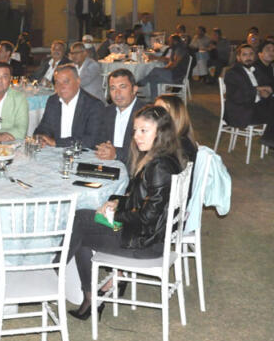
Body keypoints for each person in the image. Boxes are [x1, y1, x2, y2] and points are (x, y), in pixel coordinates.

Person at [65, 105, 185, 320]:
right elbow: (143, 201)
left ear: (161, 132)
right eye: (135, 130)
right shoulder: (165, 157)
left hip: (146, 244)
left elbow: (147, 217)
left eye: (144, 130)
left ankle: (54, 270)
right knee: (81, 223)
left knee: (79, 222)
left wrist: (114, 216)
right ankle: (89, 296)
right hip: (149, 236)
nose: (137, 136)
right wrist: (116, 202)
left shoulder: (159, 167)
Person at [224, 44, 274, 168]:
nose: (248, 57)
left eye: (251, 54)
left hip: (256, 107)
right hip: (241, 110)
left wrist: (267, 91)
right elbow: (236, 95)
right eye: (244, 54)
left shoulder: (256, 70)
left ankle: (273, 141)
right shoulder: (232, 73)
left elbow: (269, 84)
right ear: (238, 57)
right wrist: (257, 90)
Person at [33, 65, 103, 148]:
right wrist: (41, 138)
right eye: (57, 83)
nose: (61, 87)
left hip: (81, 153)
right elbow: (43, 128)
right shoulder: (53, 101)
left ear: (78, 81)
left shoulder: (93, 105)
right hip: (54, 152)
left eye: (66, 82)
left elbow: (91, 140)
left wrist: (56, 143)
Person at [95, 69, 144, 165]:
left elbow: (147, 152)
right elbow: (98, 141)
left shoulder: (146, 114)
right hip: (107, 165)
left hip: (135, 168)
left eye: (123, 87)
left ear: (134, 89)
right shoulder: (106, 112)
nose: (117, 93)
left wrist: (116, 154)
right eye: (113, 88)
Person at [138, 34, 191, 100]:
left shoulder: (180, 50)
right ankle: (154, 100)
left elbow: (174, 64)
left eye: (170, 41)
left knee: (155, 70)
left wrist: (163, 70)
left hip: (176, 76)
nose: (168, 42)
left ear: (175, 42)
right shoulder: (175, 49)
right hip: (173, 74)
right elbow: (169, 61)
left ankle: (142, 82)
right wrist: (158, 60)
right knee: (153, 79)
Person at [155, 94, 198, 171]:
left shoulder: (181, 147)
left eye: (159, 111)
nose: (153, 115)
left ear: (174, 115)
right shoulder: (171, 139)